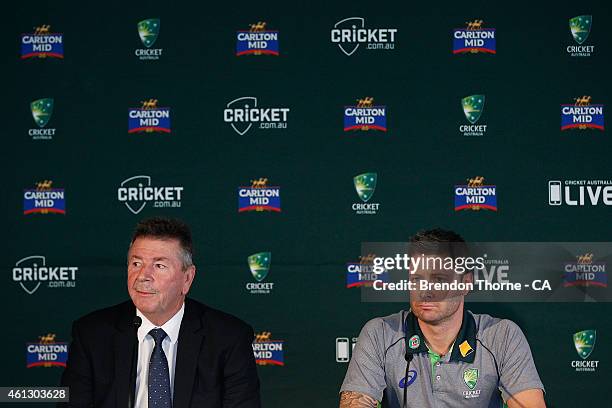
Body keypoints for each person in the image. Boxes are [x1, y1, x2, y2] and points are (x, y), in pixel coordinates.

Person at [60, 217, 261, 407]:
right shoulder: (92, 334)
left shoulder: (229, 338)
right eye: (136, 263)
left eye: (159, 265)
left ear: (187, 279)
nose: (143, 276)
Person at [339, 229, 546, 408]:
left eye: (439, 280)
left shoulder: (502, 335)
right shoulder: (380, 333)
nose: (425, 291)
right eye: (416, 279)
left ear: (465, 283)